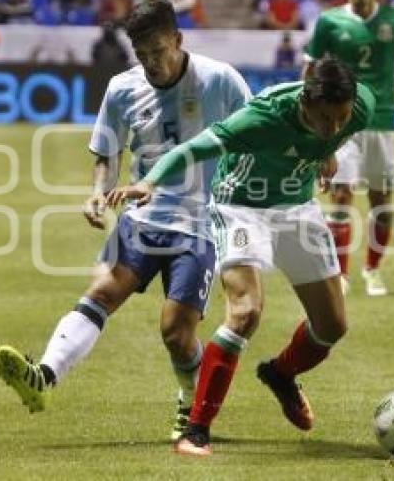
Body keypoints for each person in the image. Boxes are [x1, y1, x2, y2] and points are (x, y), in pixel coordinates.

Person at [0, 0, 252, 442]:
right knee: (101, 291)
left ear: (178, 39)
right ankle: (43, 378)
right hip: (142, 214)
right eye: (142, 54)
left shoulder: (219, 80)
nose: (151, 63)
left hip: (201, 222)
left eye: (158, 50)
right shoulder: (122, 89)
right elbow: (107, 152)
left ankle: (190, 402)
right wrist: (99, 192)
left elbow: (256, 128)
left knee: (175, 332)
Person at [107, 56, 374, 456]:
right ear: (305, 101)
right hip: (240, 207)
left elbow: (333, 132)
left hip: (297, 207)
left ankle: (280, 374)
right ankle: (195, 430)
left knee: (332, 326)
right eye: (324, 118)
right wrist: (148, 182)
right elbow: (192, 149)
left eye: (341, 119)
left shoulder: (360, 105)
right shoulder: (261, 119)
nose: (333, 127)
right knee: (246, 311)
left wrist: (326, 147)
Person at [302, 0, 394, 297]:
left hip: (382, 121)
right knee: (341, 195)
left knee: (380, 202)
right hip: (340, 122)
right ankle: (340, 275)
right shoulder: (329, 21)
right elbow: (310, 70)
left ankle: (372, 269)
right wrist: (306, 118)